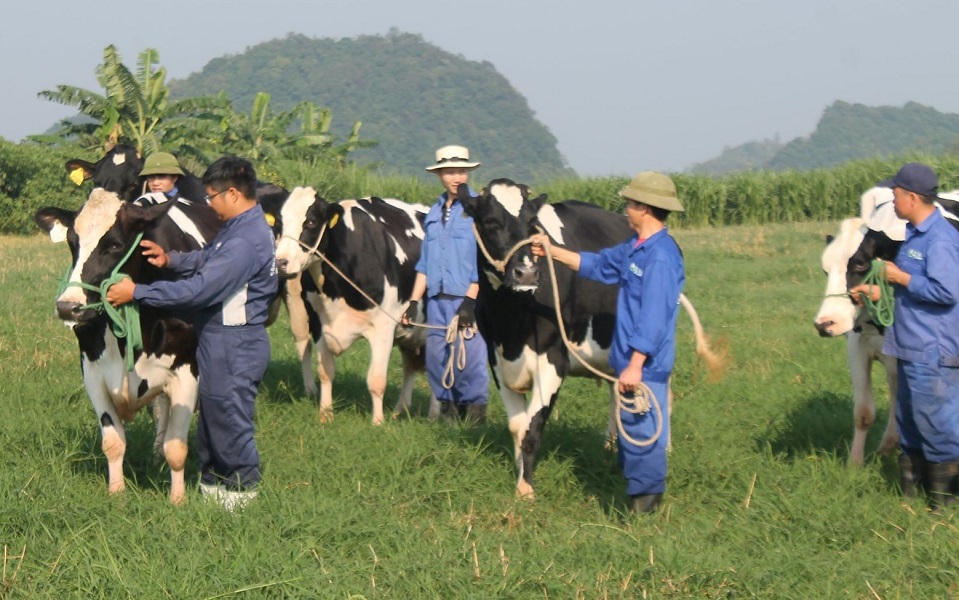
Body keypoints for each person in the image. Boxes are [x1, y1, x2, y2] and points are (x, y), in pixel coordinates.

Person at [106, 156, 278, 510]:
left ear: (233, 193)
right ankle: (213, 492)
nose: (209, 205)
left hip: (236, 342)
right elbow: (207, 258)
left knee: (229, 422)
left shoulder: (247, 240)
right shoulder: (237, 228)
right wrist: (171, 260)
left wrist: (137, 292)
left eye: (212, 197)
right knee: (212, 421)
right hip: (218, 339)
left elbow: (200, 290)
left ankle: (242, 500)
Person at [530, 171, 686, 514]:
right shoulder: (636, 249)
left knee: (643, 440)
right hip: (629, 363)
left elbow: (654, 318)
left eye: (630, 204)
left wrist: (634, 365)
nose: (626, 209)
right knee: (631, 438)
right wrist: (552, 251)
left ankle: (644, 518)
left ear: (644, 208)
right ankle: (635, 504)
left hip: (645, 367)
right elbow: (598, 264)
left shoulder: (660, 257)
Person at [850, 162, 959, 509]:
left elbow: (947, 292)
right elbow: (914, 289)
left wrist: (901, 279)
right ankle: (912, 499)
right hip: (908, 345)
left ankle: (943, 507)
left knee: (939, 427)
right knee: (910, 426)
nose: (892, 200)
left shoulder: (941, 239)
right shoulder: (912, 234)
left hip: (933, 350)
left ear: (912, 198)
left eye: (896, 194)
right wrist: (881, 292)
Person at [401, 145, 490, 424]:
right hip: (436, 300)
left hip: (466, 298)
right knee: (437, 359)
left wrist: (470, 301)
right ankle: (448, 421)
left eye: (461, 171)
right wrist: (414, 303)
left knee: (470, 362)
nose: (457, 178)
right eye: (450, 172)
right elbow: (424, 265)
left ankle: (475, 424)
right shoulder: (433, 213)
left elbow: (484, 262)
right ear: (439, 174)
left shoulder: (480, 211)